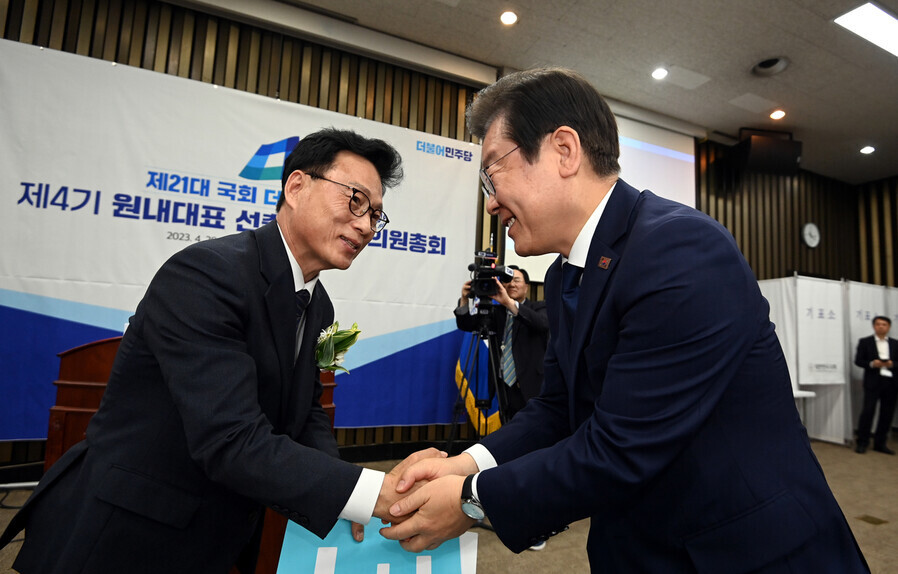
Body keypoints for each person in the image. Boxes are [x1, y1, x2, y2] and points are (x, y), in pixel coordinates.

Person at [380, 68, 869, 572]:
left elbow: (619, 448)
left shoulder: (680, 248)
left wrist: (468, 498)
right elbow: (556, 409)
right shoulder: (568, 271)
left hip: (743, 553)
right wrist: (465, 463)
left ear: (564, 151)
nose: (489, 199)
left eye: (492, 172)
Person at [0, 128, 444, 573]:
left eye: (376, 215)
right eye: (355, 200)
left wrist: (347, 501)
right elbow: (230, 438)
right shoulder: (208, 274)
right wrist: (374, 493)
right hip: (128, 534)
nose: (366, 225)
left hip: (217, 537)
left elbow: (303, 414)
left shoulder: (317, 303)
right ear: (296, 186)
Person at [455, 266, 549, 419]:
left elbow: (541, 324)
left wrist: (509, 303)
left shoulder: (539, 307)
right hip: (503, 386)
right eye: (508, 281)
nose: (512, 284)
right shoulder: (495, 312)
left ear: (526, 286)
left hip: (532, 385)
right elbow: (467, 325)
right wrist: (465, 300)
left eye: (517, 280)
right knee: (508, 429)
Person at [854, 315, 898, 455]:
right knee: (868, 412)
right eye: (878, 324)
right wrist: (873, 364)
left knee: (887, 414)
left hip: (891, 382)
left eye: (884, 324)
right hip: (873, 381)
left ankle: (880, 443)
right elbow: (859, 361)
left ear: (889, 327)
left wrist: (892, 364)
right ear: (874, 326)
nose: (881, 326)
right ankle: (862, 442)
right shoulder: (865, 342)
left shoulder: (896, 344)